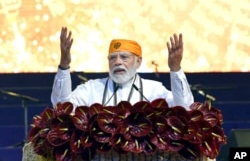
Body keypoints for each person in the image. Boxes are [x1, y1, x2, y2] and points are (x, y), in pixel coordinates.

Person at [51, 27, 194, 111]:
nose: (117, 62)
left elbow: (184, 108)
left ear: (138, 62)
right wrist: (64, 65)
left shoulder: (154, 90)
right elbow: (62, 108)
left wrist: (175, 69)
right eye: (112, 58)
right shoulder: (91, 89)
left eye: (124, 57)